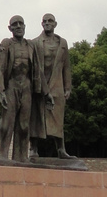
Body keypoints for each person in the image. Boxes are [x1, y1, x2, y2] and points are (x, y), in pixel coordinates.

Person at [0, 15, 48, 163]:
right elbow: (0, 68)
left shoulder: (31, 45)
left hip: (27, 87)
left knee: (24, 125)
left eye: (21, 24)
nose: (18, 26)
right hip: (11, 85)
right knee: (7, 124)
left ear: (25, 26)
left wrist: (46, 92)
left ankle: (20, 157)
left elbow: (38, 69)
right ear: (10, 28)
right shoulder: (7, 43)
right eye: (15, 24)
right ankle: (0, 156)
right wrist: (1, 91)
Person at [31, 13, 74, 159]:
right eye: (45, 21)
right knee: (37, 116)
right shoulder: (35, 43)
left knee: (58, 117)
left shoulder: (62, 43)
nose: (47, 23)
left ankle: (61, 149)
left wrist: (68, 87)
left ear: (55, 24)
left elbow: (66, 67)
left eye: (50, 21)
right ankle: (33, 148)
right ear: (41, 24)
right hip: (39, 85)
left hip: (57, 85)